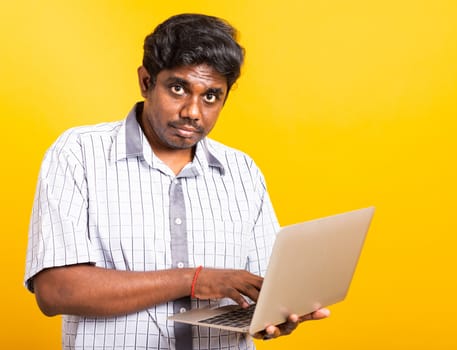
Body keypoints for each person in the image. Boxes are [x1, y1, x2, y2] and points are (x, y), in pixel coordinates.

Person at [24, 13, 329, 350]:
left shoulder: (243, 171)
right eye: (179, 88)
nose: (193, 112)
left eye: (211, 96)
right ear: (146, 82)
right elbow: (56, 291)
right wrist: (194, 280)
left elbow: (260, 293)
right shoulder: (78, 153)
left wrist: (275, 316)